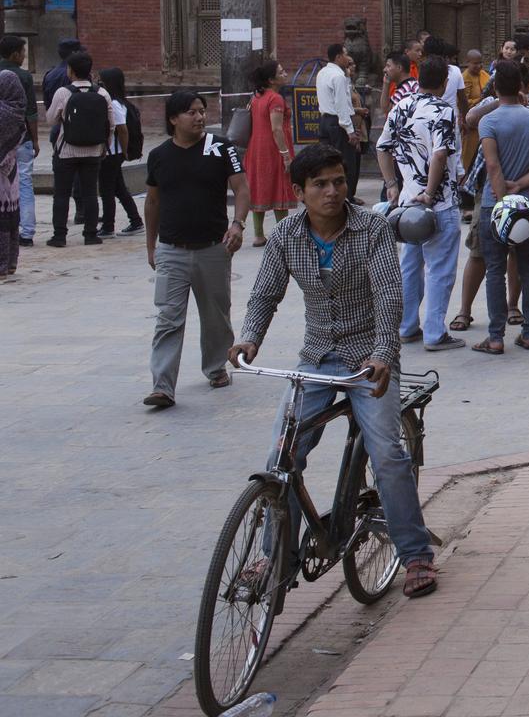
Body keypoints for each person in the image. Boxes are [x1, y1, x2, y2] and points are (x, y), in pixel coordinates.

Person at [230, 142, 439, 599]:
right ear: (299, 192)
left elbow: (389, 294)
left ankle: (416, 553)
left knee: (386, 452)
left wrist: (384, 351)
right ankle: (273, 557)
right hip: (317, 356)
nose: (332, 191)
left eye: (338, 181)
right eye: (320, 184)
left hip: (370, 358)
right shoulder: (287, 235)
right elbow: (266, 294)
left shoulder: (371, 229)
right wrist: (249, 337)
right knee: (281, 458)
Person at [142, 90, 249, 409]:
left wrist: (238, 224)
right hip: (172, 249)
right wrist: (151, 246)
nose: (200, 117)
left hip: (213, 248)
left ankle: (216, 367)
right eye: (191, 112)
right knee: (168, 318)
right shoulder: (159, 155)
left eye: (202, 110)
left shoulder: (221, 148)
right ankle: (163, 385)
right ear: (174, 119)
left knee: (216, 315)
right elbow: (153, 201)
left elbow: (241, 187)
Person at [376, 55, 463, 351]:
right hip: (438, 203)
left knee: (410, 266)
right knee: (439, 269)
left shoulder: (401, 106)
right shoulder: (444, 111)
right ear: (445, 82)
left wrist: (392, 185)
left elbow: (382, 147)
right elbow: (440, 154)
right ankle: (435, 334)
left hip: (406, 204)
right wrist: (430, 190)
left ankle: (406, 325)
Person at [472, 61, 529, 355]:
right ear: (521, 87)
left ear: (495, 88)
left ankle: (495, 337)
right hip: (528, 205)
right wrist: (521, 185)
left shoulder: (489, 121)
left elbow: (492, 165)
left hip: (496, 206)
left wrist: (503, 195)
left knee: (495, 270)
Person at [46, 48, 117, 247]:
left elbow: (51, 119)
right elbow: (110, 124)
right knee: (90, 193)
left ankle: (59, 236)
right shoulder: (102, 93)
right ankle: (91, 234)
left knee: (61, 194)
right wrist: (105, 145)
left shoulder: (63, 92)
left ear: (70, 70)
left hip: (66, 150)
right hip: (94, 150)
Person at [244, 57, 298, 246]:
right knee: (279, 188)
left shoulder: (257, 96)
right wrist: (285, 154)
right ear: (271, 80)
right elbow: (276, 129)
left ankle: (259, 235)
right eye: (281, 72)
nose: (285, 74)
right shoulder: (275, 98)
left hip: (256, 148)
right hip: (272, 149)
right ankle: (282, 233)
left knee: (258, 187)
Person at [96, 67, 143, 237]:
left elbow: (122, 130)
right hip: (114, 153)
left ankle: (108, 226)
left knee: (107, 190)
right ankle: (136, 220)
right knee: (119, 188)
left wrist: (124, 152)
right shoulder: (118, 102)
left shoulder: (114, 104)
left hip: (112, 153)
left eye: (101, 81)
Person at [1, 35, 39, 247]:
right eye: (23, 52)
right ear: (15, 54)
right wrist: (35, 140)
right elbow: (31, 112)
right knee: (23, 182)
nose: (24, 56)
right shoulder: (23, 76)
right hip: (21, 138)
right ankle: (27, 231)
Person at [316, 42, 362, 200]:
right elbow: (342, 105)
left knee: (327, 163)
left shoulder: (323, 73)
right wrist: (350, 131)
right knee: (345, 164)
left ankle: (328, 197)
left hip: (324, 121)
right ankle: (345, 199)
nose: (348, 58)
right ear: (338, 57)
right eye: (345, 54)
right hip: (338, 124)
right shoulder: (338, 76)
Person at [0, 69, 25, 275]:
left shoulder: (2, 112)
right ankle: (10, 262)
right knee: (11, 217)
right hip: (11, 169)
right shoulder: (19, 111)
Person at [460, 50, 488, 175]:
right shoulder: (465, 77)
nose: (479, 66)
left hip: (485, 119)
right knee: (469, 154)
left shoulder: (483, 74)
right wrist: (481, 99)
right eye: (475, 63)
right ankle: (466, 178)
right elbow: (465, 102)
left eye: (480, 62)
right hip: (471, 122)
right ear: (467, 63)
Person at [41, 37, 78, 109]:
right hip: (73, 116)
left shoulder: (49, 74)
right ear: (74, 53)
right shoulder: (77, 73)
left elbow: (46, 101)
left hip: (54, 115)